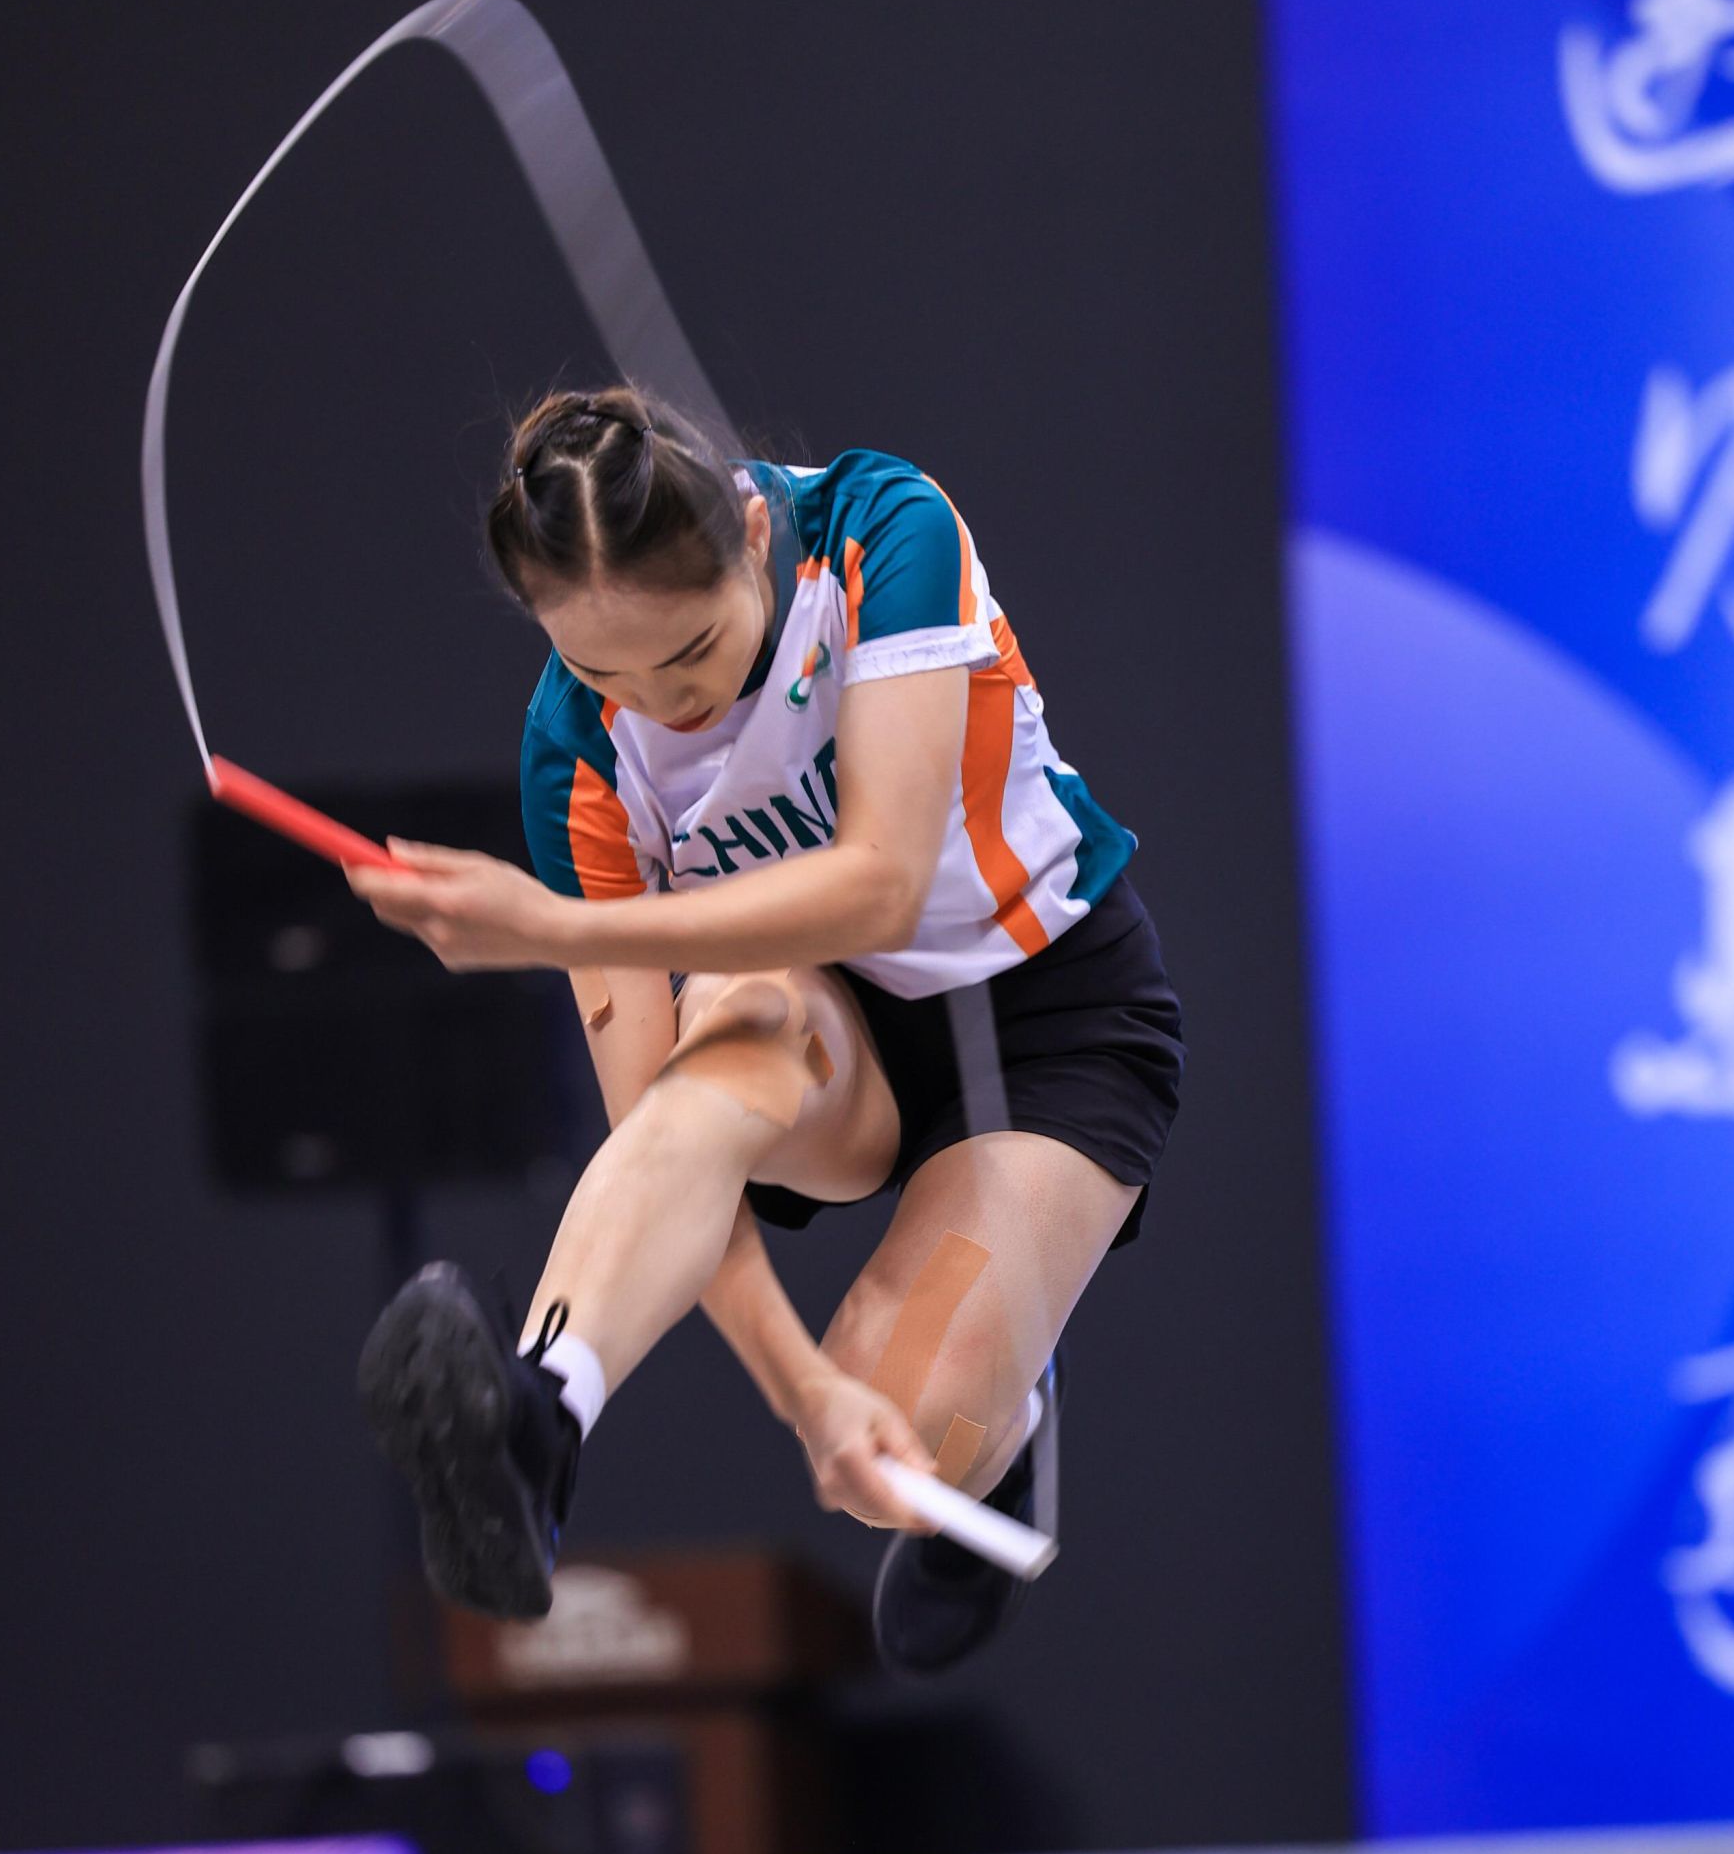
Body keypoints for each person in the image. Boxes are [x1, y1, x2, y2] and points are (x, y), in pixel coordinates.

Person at [350, 386, 1183, 1673]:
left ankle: (1008, 1426)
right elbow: (663, 1142)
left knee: (899, 1454)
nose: (658, 702)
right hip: (823, 1030)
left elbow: (880, 883)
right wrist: (800, 1391)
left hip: (1045, 1022)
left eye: (687, 652)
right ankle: (543, 1408)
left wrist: (554, 930)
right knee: (734, 1006)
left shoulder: (881, 531)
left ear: (748, 531)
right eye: (598, 670)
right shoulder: (574, 754)